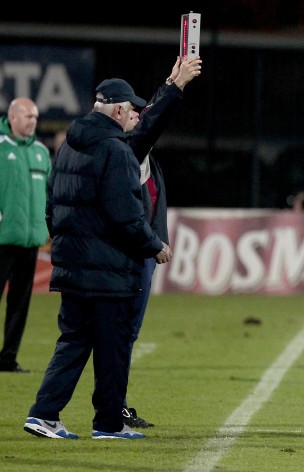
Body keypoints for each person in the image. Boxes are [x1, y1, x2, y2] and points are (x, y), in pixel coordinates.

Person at [23, 78, 172, 440]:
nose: (133, 114)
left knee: (73, 340)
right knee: (113, 347)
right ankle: (108, 423)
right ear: (118, 110)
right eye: (131, 109)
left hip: (72, 266)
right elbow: (126, 215)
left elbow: (51, 207)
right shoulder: (117, 150)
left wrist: (68, 247)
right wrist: (154, 245)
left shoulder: (67, 147)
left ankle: (43, 414)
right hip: (108, 270)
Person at [121, 55, 202, 428]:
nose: (139, 115)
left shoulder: (143, 155)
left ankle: (111, 403)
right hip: (133, 255)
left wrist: (170, 79)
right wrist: (176, 86)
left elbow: (149, 119)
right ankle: (111, 406)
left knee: (124, 333)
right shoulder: (128, 150)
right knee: (122, 333)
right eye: (132, 111)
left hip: (144, 255)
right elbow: (152, 122)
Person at [0, 98, 51, 373]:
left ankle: (7, 358)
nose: (33, 121)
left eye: (35, 116)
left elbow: (50, 194)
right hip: (2, 239)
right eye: (28, 116)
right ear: (12, 118)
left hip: (30, 240)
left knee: (19, 304)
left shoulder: (41, 152)